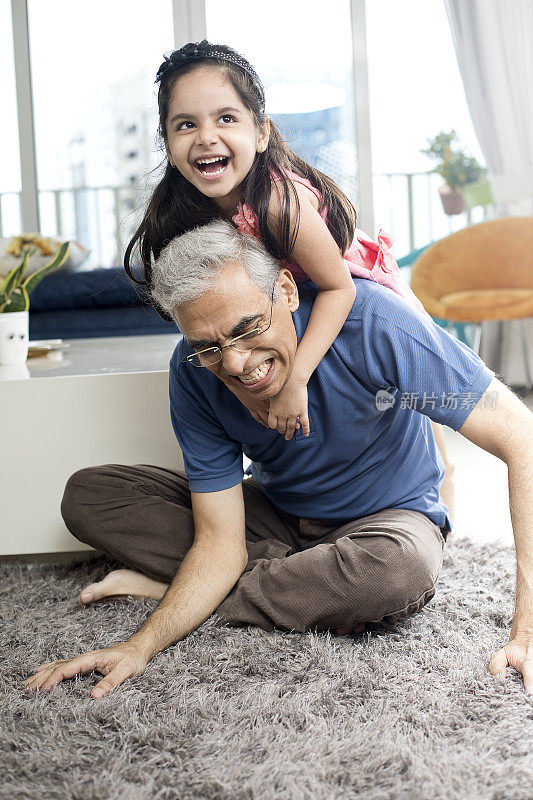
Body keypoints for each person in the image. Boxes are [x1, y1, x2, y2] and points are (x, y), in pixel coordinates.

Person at [23, 220, 533, 700]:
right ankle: (302, 584)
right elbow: (219, 541)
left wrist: (527, 630)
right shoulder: (192, 370)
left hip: (389, 519)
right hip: (281, 513)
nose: (236, 363)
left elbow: (519, 434)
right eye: (209, 347)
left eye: (248, 330)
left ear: (287, 290)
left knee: (392, 573)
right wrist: (138, 647)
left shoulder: (375, 324)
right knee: (92, 495)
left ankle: (179, 587)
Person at [122, 38, 453, 504]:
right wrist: (251, 396)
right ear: (168, 143)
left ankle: (440, 480)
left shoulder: (277, 202)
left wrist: (294, 381)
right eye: (186, 125)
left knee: (415, 390)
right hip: (290, 296)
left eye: (226, 118)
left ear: (260, 133)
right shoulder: (184, 215)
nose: (206, 136)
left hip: (352, 282)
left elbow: (339, 288)